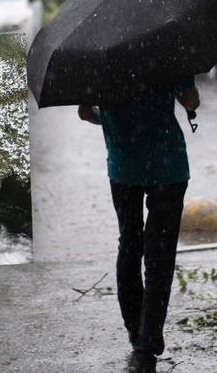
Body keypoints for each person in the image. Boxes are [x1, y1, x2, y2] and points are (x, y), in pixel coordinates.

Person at [78, 77, 200, 373]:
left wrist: (106, 116)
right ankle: (148, 341)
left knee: (129, 245)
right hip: (168, 168)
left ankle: (136, 332)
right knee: (159, 257)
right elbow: (192, 101)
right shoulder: (168, 49)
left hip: (124, 168)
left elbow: (84, 113)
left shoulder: (97, 57)